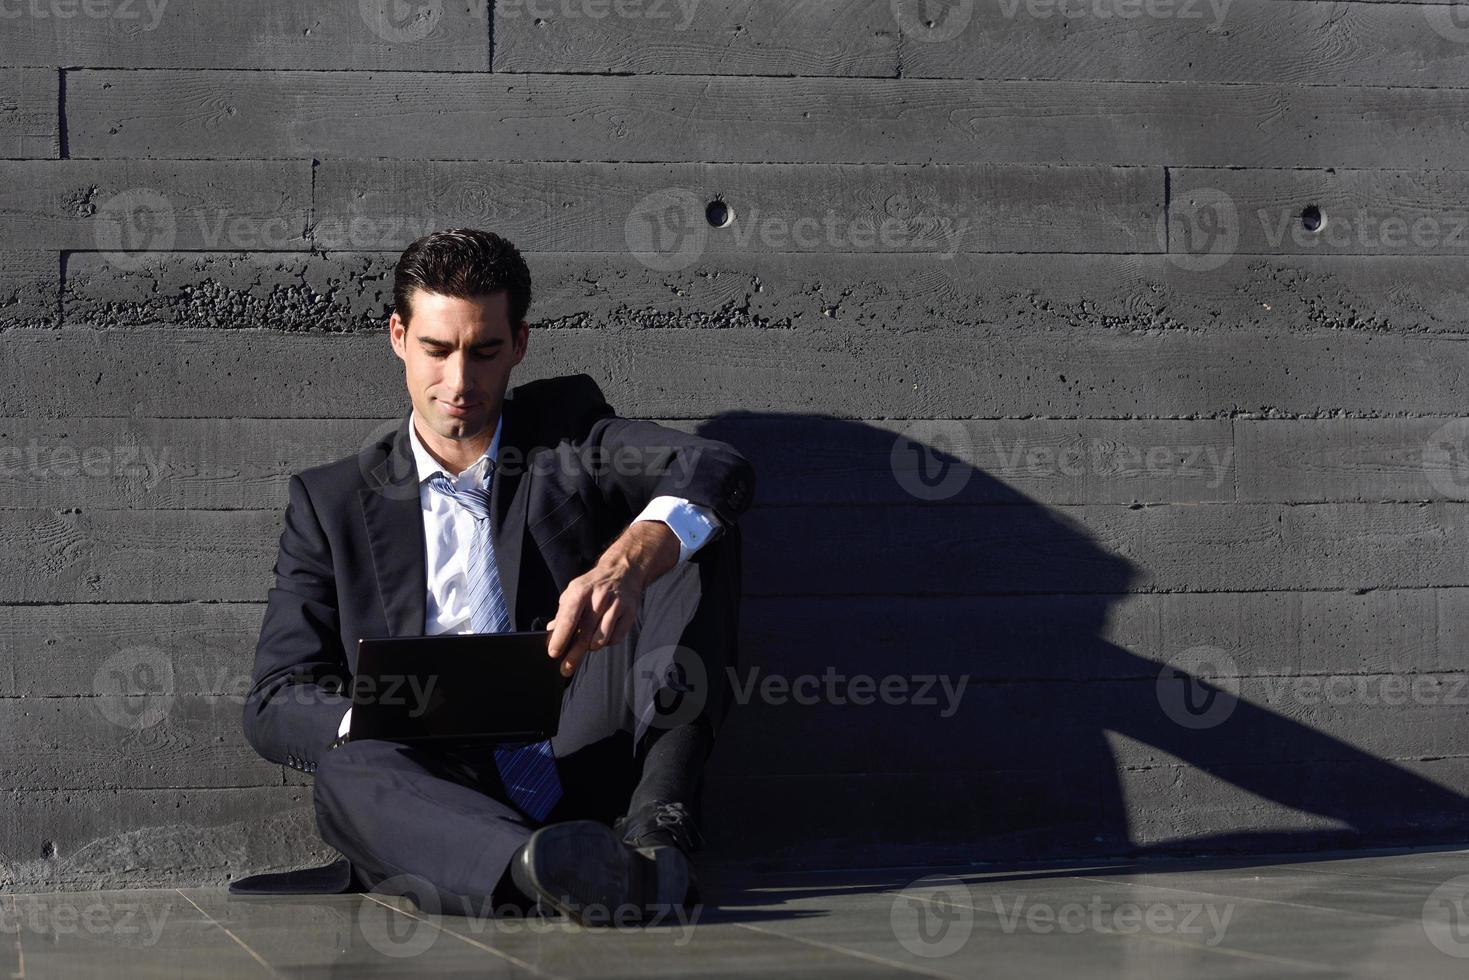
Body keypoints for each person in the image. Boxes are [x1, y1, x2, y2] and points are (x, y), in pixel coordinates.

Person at [234, 229, 754, 924]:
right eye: (436, 349)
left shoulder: (569, 434)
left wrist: (628, 559)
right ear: (397, 335)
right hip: (428, 787)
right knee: (347, 767)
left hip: (584, 742)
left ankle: (654, 838)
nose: (459, 382)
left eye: (483, 352)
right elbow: (274, 699)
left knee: (689, 534)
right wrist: (381, 716)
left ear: (519, 345)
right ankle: (546, 872)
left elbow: (715, 467)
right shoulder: (329, 503)